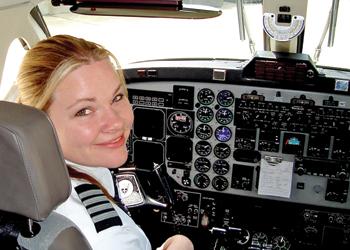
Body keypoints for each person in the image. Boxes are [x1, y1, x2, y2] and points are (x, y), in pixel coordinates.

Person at [16, 34, 194, 250]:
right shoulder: (111, 235)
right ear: (39, 122)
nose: (116, 123)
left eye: (117, 97)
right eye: (84, 110)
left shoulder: (16, 182)